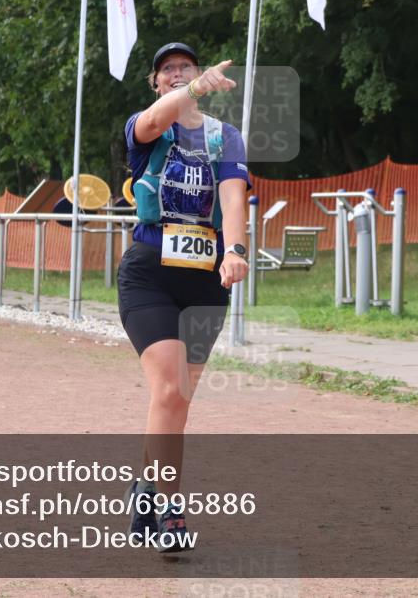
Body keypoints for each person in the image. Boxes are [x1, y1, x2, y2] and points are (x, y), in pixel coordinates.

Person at [117, 42, 250, 552]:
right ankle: (171, 511)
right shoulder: (146, 126)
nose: (176, 73)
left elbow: (233, 199)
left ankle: (146, 487)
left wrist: (234, 250)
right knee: (171, 390)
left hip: (204, 282)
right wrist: (191, 89)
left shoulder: (225, 137)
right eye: (167, 70)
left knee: (175, 400)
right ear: (155, 82)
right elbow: (155, 120)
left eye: (185, 67)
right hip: (149, 275)